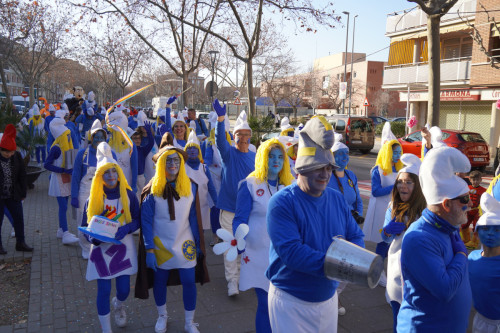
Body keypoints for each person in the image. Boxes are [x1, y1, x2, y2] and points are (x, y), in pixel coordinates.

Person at [266, 116, 364, 333]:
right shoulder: (281, 203)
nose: (325, 174)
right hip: (291, 302)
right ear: (300, 169)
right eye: (318, 167)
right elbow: (293, 253)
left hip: (328, 299)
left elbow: (355, 235)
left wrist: (357, 259)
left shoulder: (336, 198)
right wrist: (342, 265)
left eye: (328, 167)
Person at [397, 146, 472, 332]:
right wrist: (462, 255)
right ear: (446, 204)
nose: (470, 204)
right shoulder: (419, 238)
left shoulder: (448, 227)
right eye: (465, 199)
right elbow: (445, 289)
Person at [136, 143, 208, 333]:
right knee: (160, 281)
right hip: (161, 244)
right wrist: (149, 249)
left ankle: (189, 322)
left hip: (185, 243)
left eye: (176, 160)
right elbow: (146, 221)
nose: (172, 163)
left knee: (189, 281)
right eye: (168, 160)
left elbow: (194, 217)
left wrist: (199, 243)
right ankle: (162, 316)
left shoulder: (191, 186)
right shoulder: (151, 190)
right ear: (160, 164)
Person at [232, 138, 293, 333]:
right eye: (271, 156)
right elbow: (239, 218)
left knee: (284, 306)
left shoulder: (290, 186)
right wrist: (239, 239)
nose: (276, 161)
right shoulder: (250, 184)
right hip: (257, 254)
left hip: (285, 255)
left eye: (279, 157)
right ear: (262, 159)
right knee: (266, 304)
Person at [81, 142, 140, 333]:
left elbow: (138, 219)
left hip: (123, 249)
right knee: (104, 291)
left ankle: (119, 304)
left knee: (123, 289)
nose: (111, 176)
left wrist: (128, 228)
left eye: (114, 171)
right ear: (100, 176)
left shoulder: (129, 196)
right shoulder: (93, 199)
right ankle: (106, 330)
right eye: (106, 172)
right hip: (100, 252)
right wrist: (93, 239)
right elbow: (85, 227)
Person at [213, 98, 256, 296]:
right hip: (229, 209)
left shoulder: (255, 158)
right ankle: (232, 282)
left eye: (247, 135)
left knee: (246, 245)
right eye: (240, 135)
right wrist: (221, 119)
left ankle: (242, 276)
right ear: (234, 136)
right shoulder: (228, 154)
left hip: (249, 212)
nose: (244, 139)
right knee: (231, 244)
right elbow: (219, 141)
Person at [380, 153, 426, 332]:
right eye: (400, 181)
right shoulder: (393, 206)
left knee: (417, 318)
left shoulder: (426, 210)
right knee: (397, 315)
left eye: (408, 182)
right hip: (396, 268)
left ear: (418, 185)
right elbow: (385, 238)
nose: (402, 186)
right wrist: (387, 231)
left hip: (419, 270)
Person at [327, 133, 363, 315]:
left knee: (350, 265)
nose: (343, 158)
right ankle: (331, 296)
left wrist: (359, 216)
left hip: (351, 226)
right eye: (339, 154)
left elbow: (358, 199)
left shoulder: (350, 175)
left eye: (345, 154)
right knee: (335, 263)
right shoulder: (327, 177)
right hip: (333, 226)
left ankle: (334, 294)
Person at [363, 122, 403, 287]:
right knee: (383, 242)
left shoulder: (400, 169)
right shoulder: (377, 170)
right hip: (381, 210)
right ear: (387, 153)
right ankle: (378, 272)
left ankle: (385, 271)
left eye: (400, 152)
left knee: (393, 243)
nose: (398, 156)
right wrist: (394, 188)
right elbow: (375, 191)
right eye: (395, 153)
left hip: (397, 211)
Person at [71, 120, 115, 259]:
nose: (99, 140)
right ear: (91, 138)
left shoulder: (110, 154)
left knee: (101, 219)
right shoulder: (82, 154)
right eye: (96, 137)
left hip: (103, 192)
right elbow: (76, 176)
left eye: (101, 137)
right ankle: (85, 247)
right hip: (85, 191)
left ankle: (99, 245)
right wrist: (74, 196)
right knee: (83, 221)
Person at [468, 192, 500, 333]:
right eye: (485, 229)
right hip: (480, 321)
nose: (491, 234)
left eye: (497, 229)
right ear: (476, 234)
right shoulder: (472, 258)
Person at [44, 117, 79, 245]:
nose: (69, 137)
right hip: (58, 180)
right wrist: (61, 169)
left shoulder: (68, 147)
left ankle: (60, 229)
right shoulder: (56, 148)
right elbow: (46, 165)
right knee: (63, 206)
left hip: (66, 179)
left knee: (64, 205)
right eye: (67, 135)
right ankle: (65, 233)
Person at [0, 124, 33, 254]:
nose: (9, 154)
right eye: (6, 152)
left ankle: (21, 242)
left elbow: (22, 175)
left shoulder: (17, 156)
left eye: (11, 151)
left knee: (18, 219)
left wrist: (23, 192)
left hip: (13, 194)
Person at [184, 122, 218, 231]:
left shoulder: (204, 168)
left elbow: (211, 188)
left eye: (194, 148)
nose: (192, 151)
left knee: (200, 233)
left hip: (203, 207)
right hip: (186, 208)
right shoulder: (182, 167)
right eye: (189, 149)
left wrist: (216, 203)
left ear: (199, 151)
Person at [107, 109, 138, 193]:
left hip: (126, 183)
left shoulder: (130, 145)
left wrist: (134, 184)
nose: (113, 133)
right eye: (112, 130)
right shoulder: (108, 143)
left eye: (115, 131)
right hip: (111, 184)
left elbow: (134, 167)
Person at [461, 170, 486, 249]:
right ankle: (466, 240)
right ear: (470, 180)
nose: (475, 181)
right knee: (464, 224)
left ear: (480, 180)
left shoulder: (484, 190)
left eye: (477, 179)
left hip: (477, 211)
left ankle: (474, 243)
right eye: (473, 179)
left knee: (476, 226)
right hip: (468, 210)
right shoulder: (467, 188)